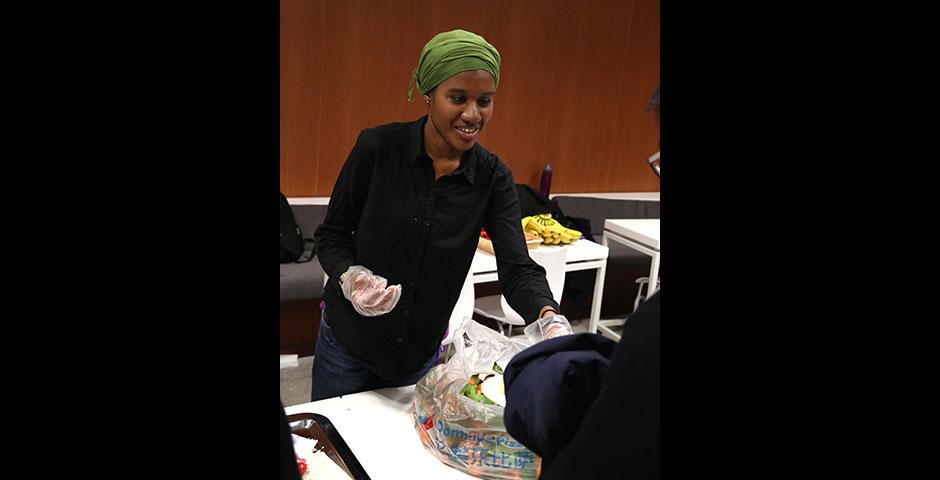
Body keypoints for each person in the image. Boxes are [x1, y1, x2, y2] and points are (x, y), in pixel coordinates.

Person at [311, 29, 565, 401]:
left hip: (419, 356)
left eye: (485, 100)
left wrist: (548, 318)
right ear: (429, 94)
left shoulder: (492, 178)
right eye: (458, 98)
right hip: (347, 346)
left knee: (400, 455)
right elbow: (331, 235)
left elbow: (517, 268)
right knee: (330, 450)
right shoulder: (378, 149)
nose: (472, 114)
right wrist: (350, 277)